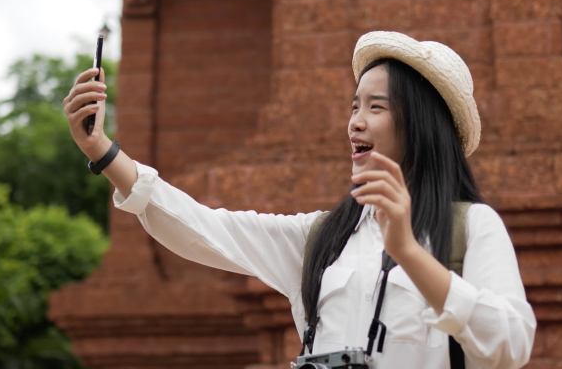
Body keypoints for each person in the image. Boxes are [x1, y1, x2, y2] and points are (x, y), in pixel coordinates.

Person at [63, 31, 536, 368]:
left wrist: (409, 252)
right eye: (354, 106)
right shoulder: (322, 239)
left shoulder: (472, 228)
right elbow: (203, 228)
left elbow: (511, 344)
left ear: (422, 126)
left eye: (376, 107)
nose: (354, 122)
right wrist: (102, 151)